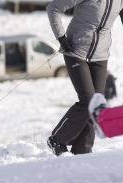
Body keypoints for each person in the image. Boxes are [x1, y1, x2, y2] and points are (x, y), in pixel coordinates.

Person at [46, 0, 123, 156]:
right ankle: (58, 139)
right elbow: (53, 8)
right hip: (76, 51)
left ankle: (83, 150)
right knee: (88, 100)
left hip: (100, 56)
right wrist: (61, 38)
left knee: (97, 104)